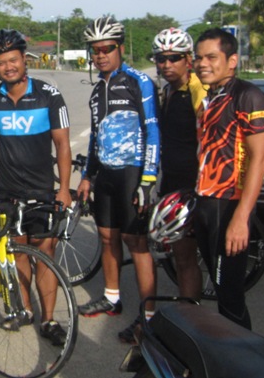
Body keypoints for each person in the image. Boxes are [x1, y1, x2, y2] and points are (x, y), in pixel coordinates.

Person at [0, 28, 73, 346]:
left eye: (13, 60)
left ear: (24, 60)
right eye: (1, 62)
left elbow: (63, 144)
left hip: (43, 188)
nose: (8, 67)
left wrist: (64, 189)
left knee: (45, 251)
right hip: (9, 189)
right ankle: (25, 311)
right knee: (17, 250)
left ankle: (49, 319)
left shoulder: (48, 94)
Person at [76, 17, 159, 344]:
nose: (100, 55)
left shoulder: (139, 81)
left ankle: (149, 316)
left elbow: (153, 131)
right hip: (106, 175)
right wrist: (87, 176)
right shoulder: (97, 90)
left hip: (132, 173)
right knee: (107, 237)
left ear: (120, 48)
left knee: (135, 242)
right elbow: (95, 137)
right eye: (95, 50)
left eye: (107, 48)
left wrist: (148, 179)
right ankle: (112, 298)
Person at [192, 28, 264, 329]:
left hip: (229, 205)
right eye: (199, 58)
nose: (203, 64)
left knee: (230, 297)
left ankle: (245, 353)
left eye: (212, 57)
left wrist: (241, 217)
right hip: (206, 202)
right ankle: (228, 349)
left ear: (232, 60)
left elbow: (259, 159)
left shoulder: (248, 96)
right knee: (221, 290)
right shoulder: (210, 98)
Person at [151, 28, 204, 300]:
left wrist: (199, 187)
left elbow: (209, 140)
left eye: (174, 58)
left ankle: (190, 312)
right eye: (161, 58)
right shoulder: (169, 90)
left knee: (185, 257)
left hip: (191, 184)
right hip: (171, 180)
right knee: (178, 254)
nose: (167, 64)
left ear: (188, 59)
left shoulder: (197, 90)